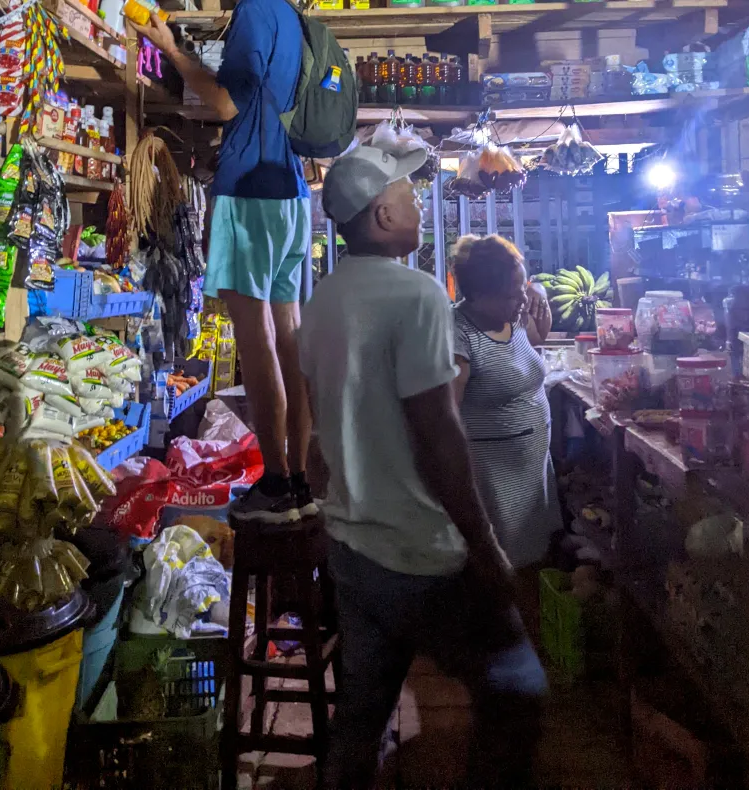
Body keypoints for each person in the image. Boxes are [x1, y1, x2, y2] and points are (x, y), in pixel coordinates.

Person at [298, 145, 546, 790]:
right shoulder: (419, 294)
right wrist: (485, 548)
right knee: (518, 689)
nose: (417, 205)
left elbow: (321, 434)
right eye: (408, 197)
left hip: (353, 544)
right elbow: (439, 430)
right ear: (382, 215)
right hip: (419, 552)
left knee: (362, 713)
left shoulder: (323, 300)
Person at [131, 2, 314, 524]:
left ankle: (275, 482)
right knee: (288, 334)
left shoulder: (255, 11)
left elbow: (227, 104)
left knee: (255, 338)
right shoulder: (287, 17)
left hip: (251, 190)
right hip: (290, 192)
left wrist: (171, 51)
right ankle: (298, 480)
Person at [451, 235, 563, 570]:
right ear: (481, 293)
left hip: (533, 471)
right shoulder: (458, 333)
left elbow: (536, 337)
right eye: (513, 292)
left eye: (523, 286)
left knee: (536, 559)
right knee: (503, 569)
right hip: (493, 481)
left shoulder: (512, 320)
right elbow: (446, 416)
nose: (522, 298)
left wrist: (538, 293)